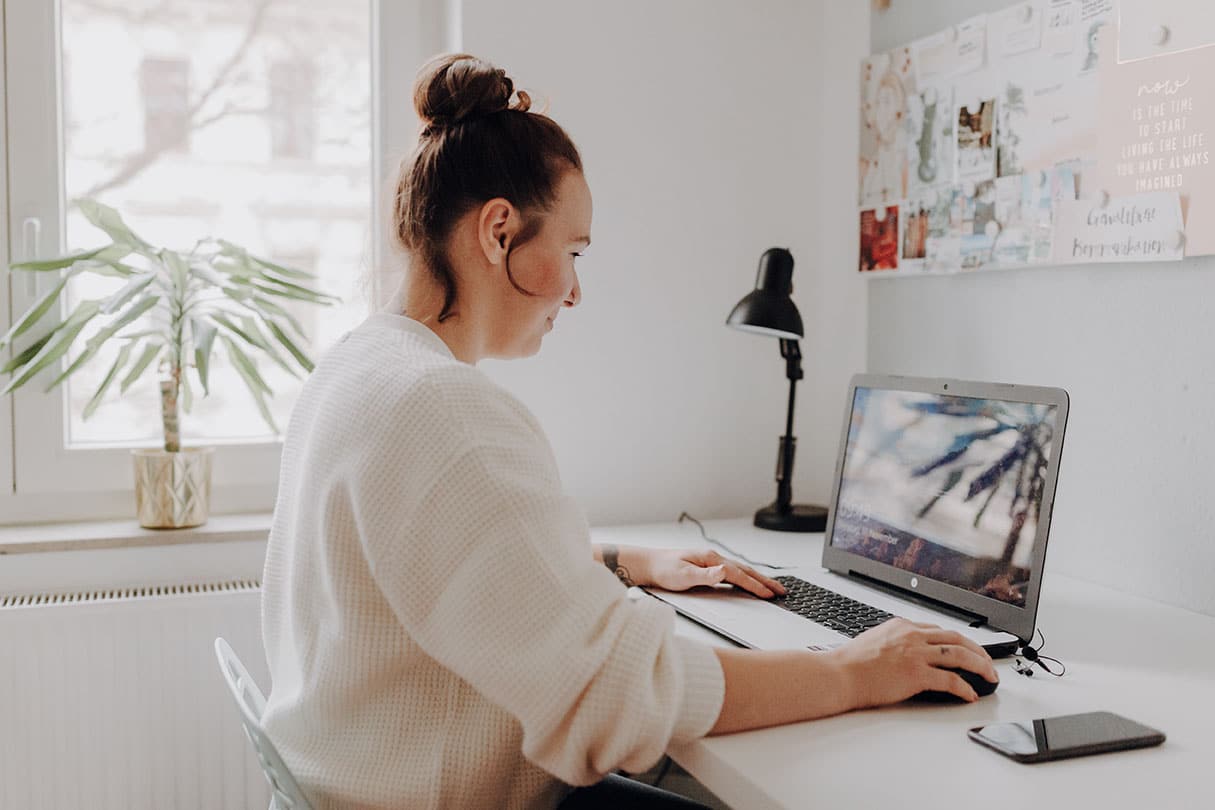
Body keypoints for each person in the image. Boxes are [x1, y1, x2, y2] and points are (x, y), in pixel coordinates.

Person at [260, 53, 999, 810]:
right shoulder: (443, 412)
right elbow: (620, 697)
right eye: (573, 252)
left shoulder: (359, 368)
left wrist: (626, 560)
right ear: (499, 231)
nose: (576, 291)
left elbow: (442, 556)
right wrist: (857, 671)